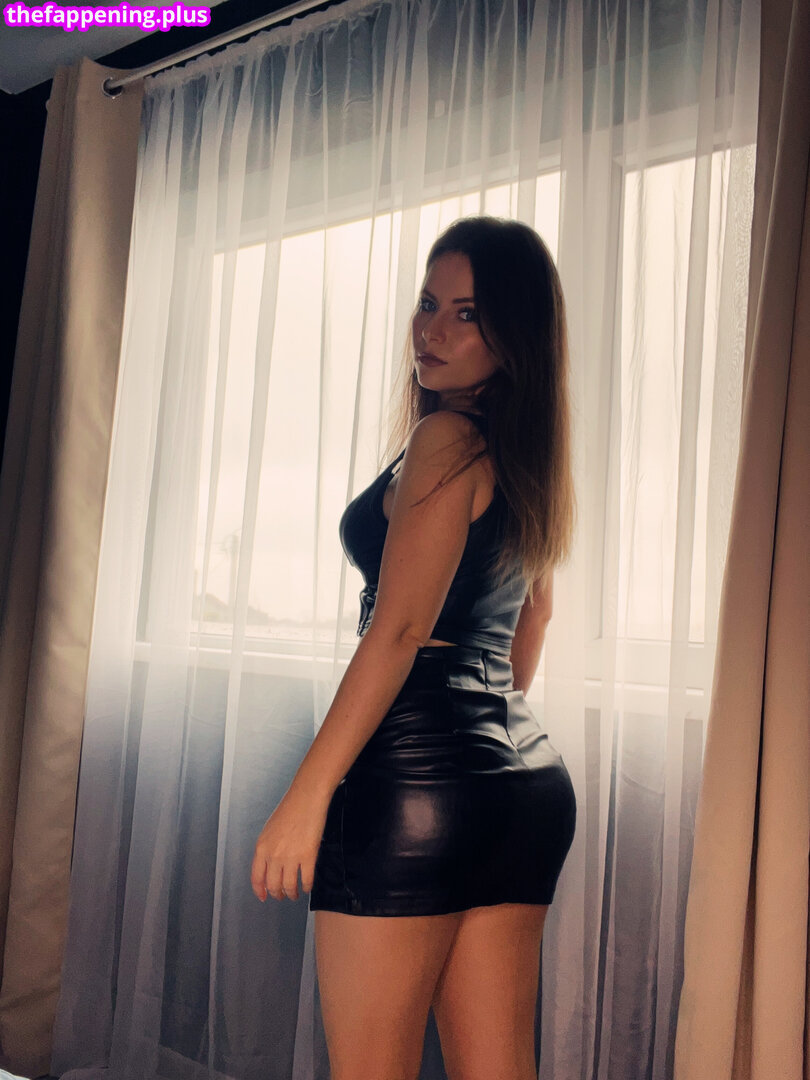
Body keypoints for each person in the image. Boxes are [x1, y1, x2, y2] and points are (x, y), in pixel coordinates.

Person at [250, 215, 577, 1080]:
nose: (431, 330)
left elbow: (398, 629)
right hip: (524, 787)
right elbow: (536, 615)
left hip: (415, 786)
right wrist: (477, 743)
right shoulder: (526, 457)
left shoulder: (446, 439)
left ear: (512, 335)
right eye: (428, 303)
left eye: (466, 314)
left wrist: (308, 795)